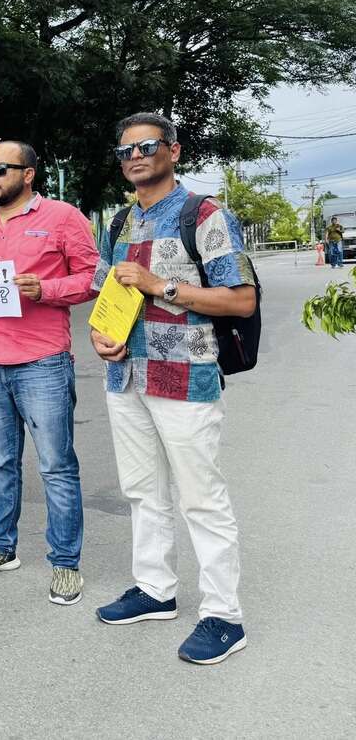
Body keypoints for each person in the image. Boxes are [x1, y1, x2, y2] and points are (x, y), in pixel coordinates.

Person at [91, 112, 256, 665]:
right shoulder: (118, 222)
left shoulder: (204, 215)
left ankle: (224, 615)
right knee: (143, 490)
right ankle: (155, 589)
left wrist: (161, 285)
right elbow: (104, 295)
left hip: (185, 377)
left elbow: (241, 300)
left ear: (174, 151)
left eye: (147, 146)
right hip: (125, 376)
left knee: (201, 498)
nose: (135, 157)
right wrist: (100, 336)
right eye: (126, 151)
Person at [0, 141, 99, 607]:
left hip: (41, 361)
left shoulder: (62, 217)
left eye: (0, 169)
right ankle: (0, 546)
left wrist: (46, 289)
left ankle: (65, 563)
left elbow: (93, 278)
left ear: (29, 173)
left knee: (56, 466)